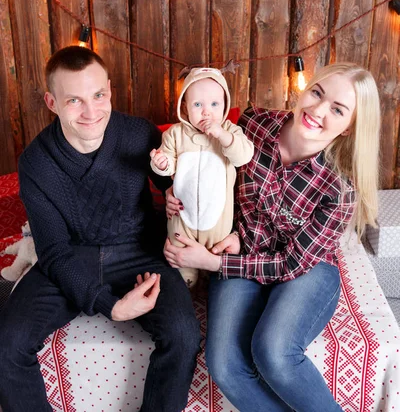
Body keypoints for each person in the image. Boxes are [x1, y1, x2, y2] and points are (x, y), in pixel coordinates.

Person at [163, 62, 381, 412]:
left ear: (350, 127)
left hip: (306, 270)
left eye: (337, 109)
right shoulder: (253, 124)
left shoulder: (340, 189)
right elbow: (208, 168)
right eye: (317, 93)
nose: (317, 110)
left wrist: (214, 262)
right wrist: (175, 192)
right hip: (241, 252)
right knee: (224, 364)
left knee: (274, 352)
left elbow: (292, 263)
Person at [0, 46, 200, 412]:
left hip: (141, 251)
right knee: (7, 345)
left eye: (98, 96)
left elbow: (177, 180)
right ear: (51, 101)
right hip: (71, 256)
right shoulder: (35, 163)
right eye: (74, 100)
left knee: (184, 336)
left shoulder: (139, 134)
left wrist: (174, 191)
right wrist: (110, 306)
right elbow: (54, 252)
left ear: (109, 89)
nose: (91, 112)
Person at [150, 67, 254, 287]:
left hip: (217, 222)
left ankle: (211, 271)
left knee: (219, 247)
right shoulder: (175, 134)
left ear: (225, 106)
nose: (207, 112)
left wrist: (223, 136)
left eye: (215, 104)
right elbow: (167, 164)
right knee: (178, 243)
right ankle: (186, 275)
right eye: (198, 105)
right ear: (185, 109)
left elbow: (243, 155)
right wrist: (160, 164)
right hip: (182, 216)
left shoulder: (231, 131)